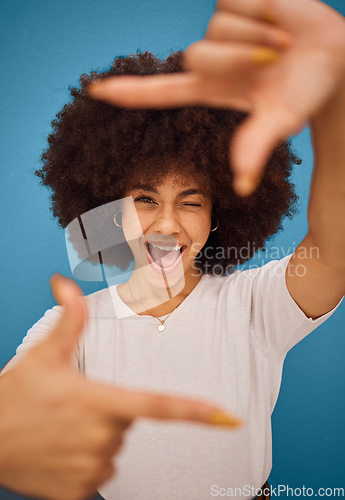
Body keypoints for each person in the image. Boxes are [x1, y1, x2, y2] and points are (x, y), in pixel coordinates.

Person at [4, 0, 345, 498]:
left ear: (216, 215)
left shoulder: (254, 304)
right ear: (111, 209)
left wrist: (334, 105)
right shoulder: (72, 325)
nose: (167, 224)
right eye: (145, 199)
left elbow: (334, 248)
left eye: (190, 202)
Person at [0, 275, 238, 500]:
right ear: (116, 227)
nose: (166, 228)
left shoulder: (252, 294)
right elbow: (25, 375)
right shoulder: (71, 318)